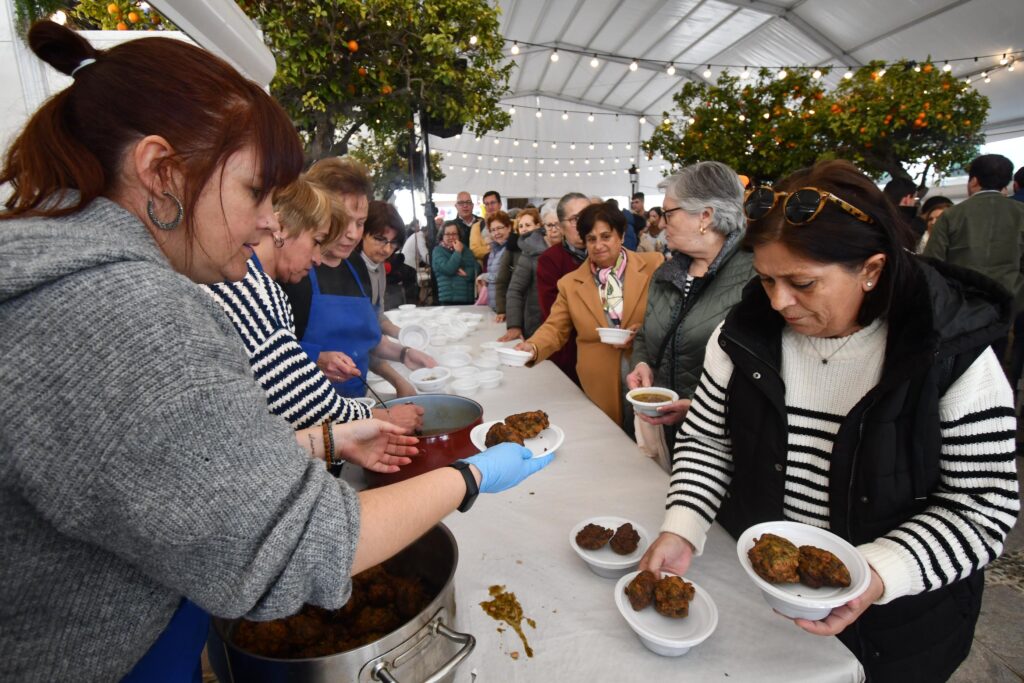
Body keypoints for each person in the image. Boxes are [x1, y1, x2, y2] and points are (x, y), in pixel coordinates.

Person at [0, 22, 552, 682]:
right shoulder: (127, 311)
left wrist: (326, 440)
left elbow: (170, 468)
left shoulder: (62, 272)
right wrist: (472, 476)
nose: (269, 220)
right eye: (255, 192)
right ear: (159, 171)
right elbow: (304, 549)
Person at [640, 159, 1019, 683]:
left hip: (897, 630)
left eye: (802, 283)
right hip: (759, 603)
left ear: (872, 269)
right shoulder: (744, 333)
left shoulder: (948, 351)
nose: (780, 302)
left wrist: (876, 574)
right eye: (767, 279)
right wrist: (683, 527)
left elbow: (984, 506)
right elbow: (707, 441)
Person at [204, 176, 385, 430]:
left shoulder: (260, 281)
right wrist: (378, 418)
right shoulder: (247, 283)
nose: (317, 258)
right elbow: (295, 401)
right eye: (317, 241)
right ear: (281, 228)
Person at [625, 162, 755, 467]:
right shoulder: (667, 272)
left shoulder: (756, 278)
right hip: (667, 436)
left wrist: (699, 408)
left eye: (669, 213)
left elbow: (760, 376)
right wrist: (641, 361)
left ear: (705, 217)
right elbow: (646, 333)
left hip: (724, 450)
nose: (662, 221)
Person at [281, 158, 435, 401]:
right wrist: (317, 358)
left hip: (359, 400)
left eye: (360, 223)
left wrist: (404, 354)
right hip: (307, 409)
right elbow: (268, 356)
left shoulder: (356, 265)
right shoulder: (292, 271)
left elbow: (367, 340)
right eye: (341, 220)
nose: (352, 234)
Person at [516, 202, 664, 424]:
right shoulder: (570, 283)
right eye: (591, 239)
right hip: (598, 382)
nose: (598, 245)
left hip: (649, 374)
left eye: (606, 236)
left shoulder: (653, 265)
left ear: (621, 236)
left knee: (651, 442)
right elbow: (555, 328)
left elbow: (668, 314)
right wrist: (533, 346)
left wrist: (643, 330)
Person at [923, 154, 1024, 365]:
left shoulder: (952, 216)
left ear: (974, 180)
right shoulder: (1021, 213)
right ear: (1007, 182)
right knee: (1003, 368)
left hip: (962, 312)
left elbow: (932, 264)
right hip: (1009, 308)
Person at [355, 200, 421, 397]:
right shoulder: (351, 271)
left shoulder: (378, 268)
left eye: (393, 243)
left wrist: (404, 334)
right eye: (380, 239)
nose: (386, 249)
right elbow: (363, 338)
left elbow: (377, 315)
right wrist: (398, 375)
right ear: (361, 232)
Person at [536, 192, 591, 385]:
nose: (585, 223)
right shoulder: (550, 259)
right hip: (569, 354)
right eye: (576, 219)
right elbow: (553, 314)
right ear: (560, 226)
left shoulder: (606, 255)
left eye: (589, 215)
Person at [498, 207, 544, 341]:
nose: (523, 229)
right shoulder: (523, 251)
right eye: (521, 226)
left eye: (528, 225)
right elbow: (513, 288)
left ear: (539, 225)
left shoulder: (551, 248)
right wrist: (514, 324)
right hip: (532, 317)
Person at [433, 222, 479, 304]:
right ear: (442, 236)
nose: (451, 237)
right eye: (447, 234)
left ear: (459, 236)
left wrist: (467, 274)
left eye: (454, 234)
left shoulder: (465, 250)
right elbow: (448, 269)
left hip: (468, 299)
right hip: (448, 300)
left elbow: (475, 269)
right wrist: (457, 252)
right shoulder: (438, 251)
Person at [479, 209, 512, 316]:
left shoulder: (511, 249)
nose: (496, 233)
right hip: (494, 306)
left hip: (507, 307)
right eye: (492, 230)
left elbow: (507, 276)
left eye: (499, 228)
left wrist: (484, 276)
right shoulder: (494, 250)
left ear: (509, 227)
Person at [470, 189, 502, 261]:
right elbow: (475, 251)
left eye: (493, 203)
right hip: (486, 266)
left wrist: (488, 247)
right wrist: (498, 248)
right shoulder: (477, 226)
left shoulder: (512, 223)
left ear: (500, 204)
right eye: (487, 204)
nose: (490, 207)